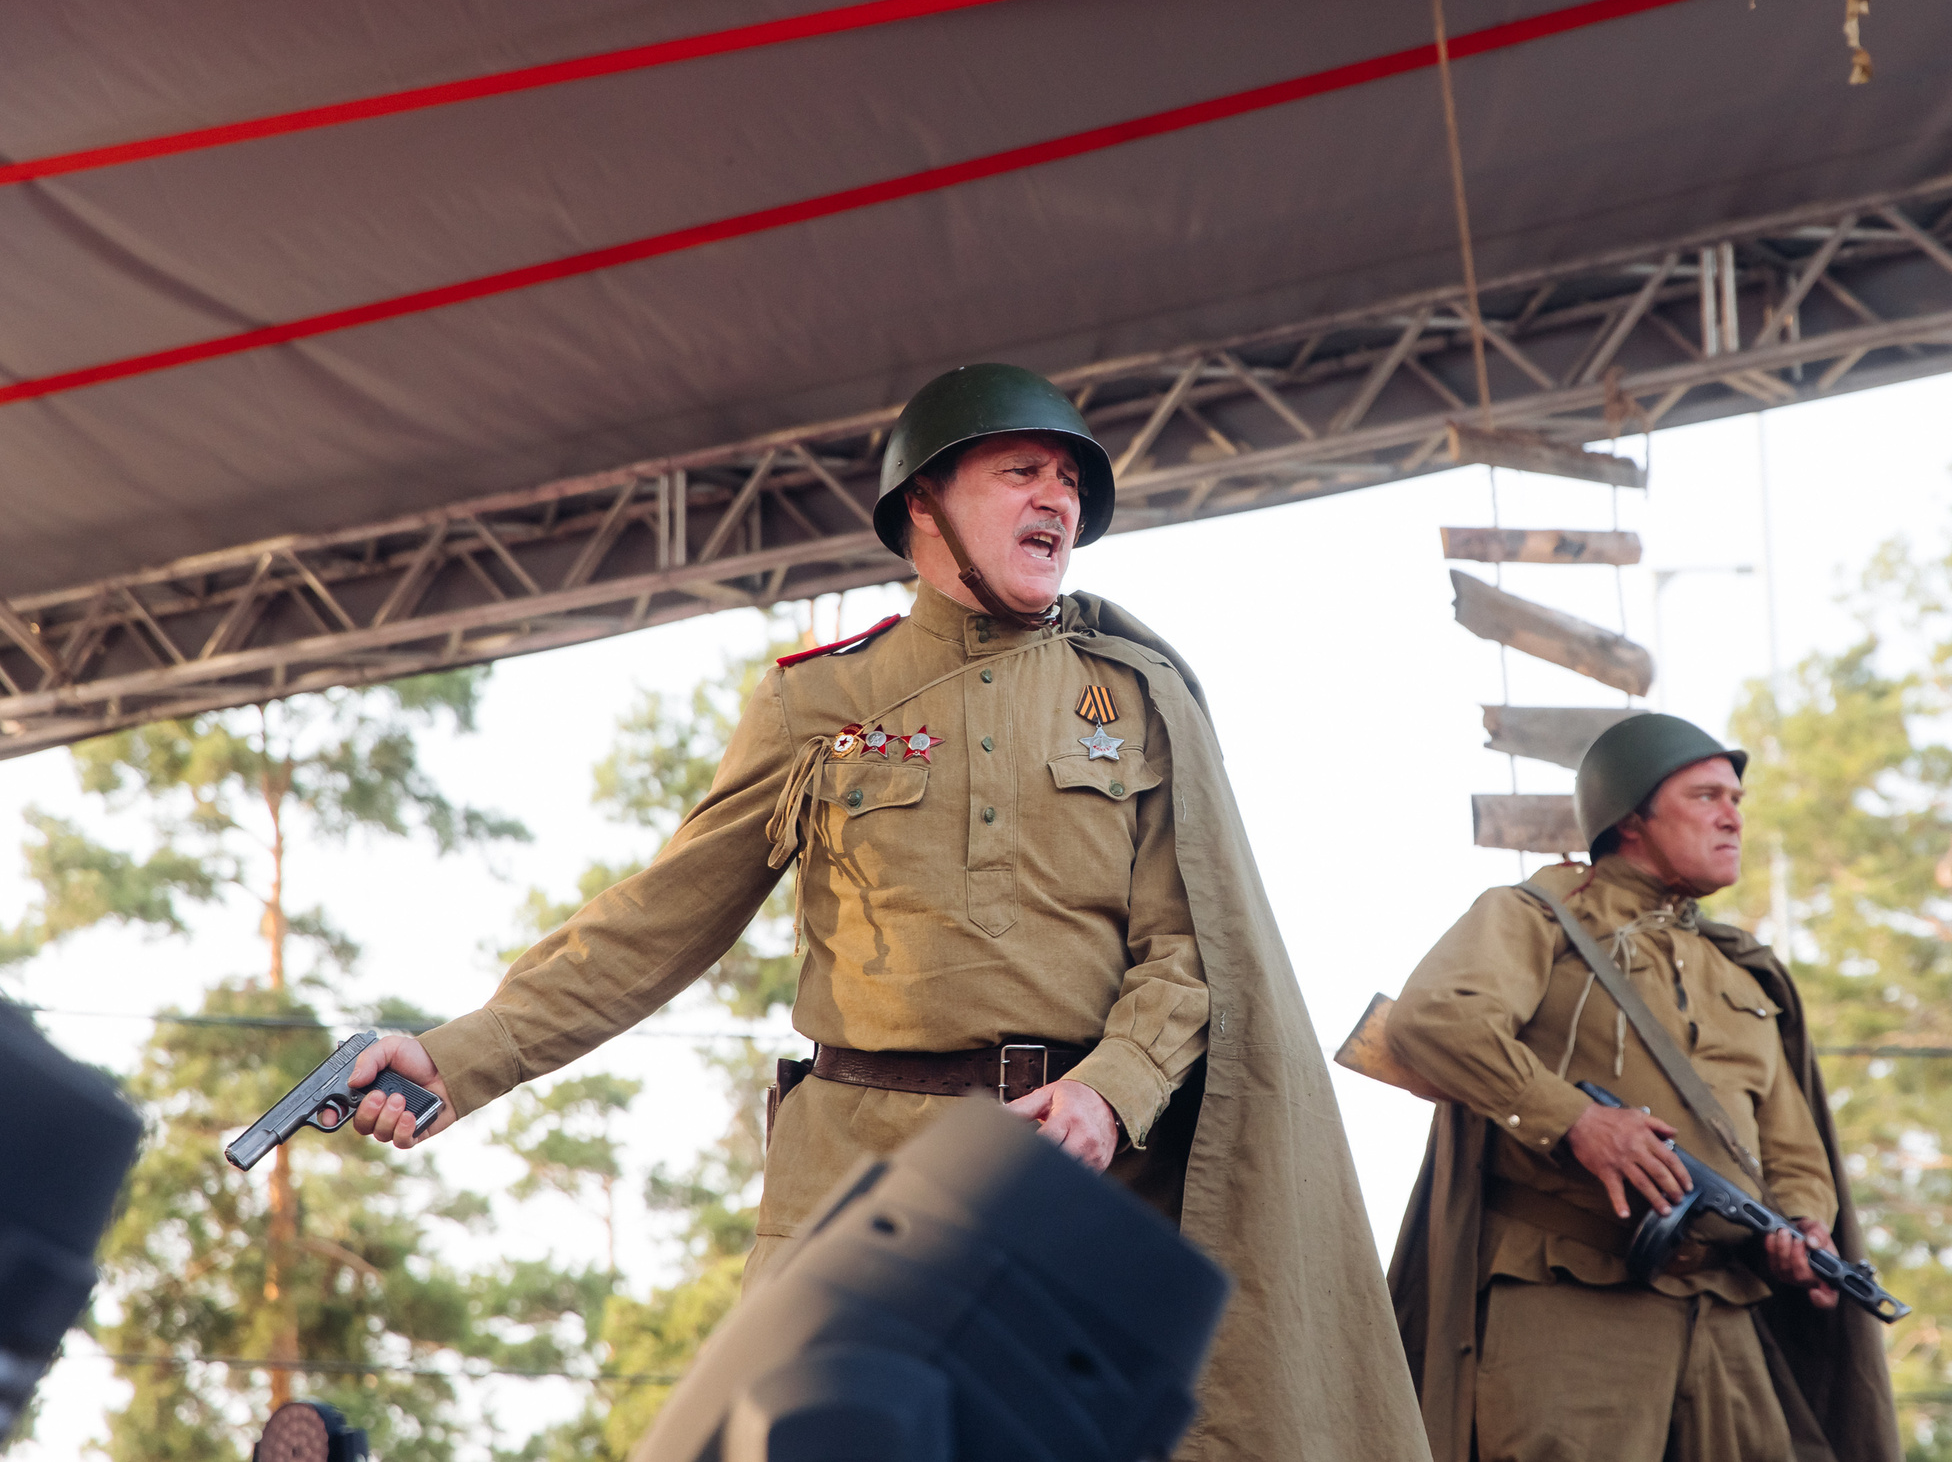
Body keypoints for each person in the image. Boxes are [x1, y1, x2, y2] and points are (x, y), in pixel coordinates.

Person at [343, 363, 1428, 1462]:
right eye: (1020, 472)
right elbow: (658, 921)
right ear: (925, 503)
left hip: (1085, 1193)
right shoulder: (817, 701)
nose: (1055, 498)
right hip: (863, 1190)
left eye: (1068, 481)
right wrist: (457, 1055)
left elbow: (1194, 951)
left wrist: (1110, 1092)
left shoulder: (1139, 700)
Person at [1382, 714, 1898, 1462]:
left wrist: (1804, 1228)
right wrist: (1578, 1122)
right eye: (1706, 797)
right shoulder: (1542, 918)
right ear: (1631, 818)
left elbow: (1793, 1149)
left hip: (1725, 1314)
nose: (1733, 817)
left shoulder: (1741, 970)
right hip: (1571, 1294)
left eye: (1737, 800)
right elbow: (1434, 1020)